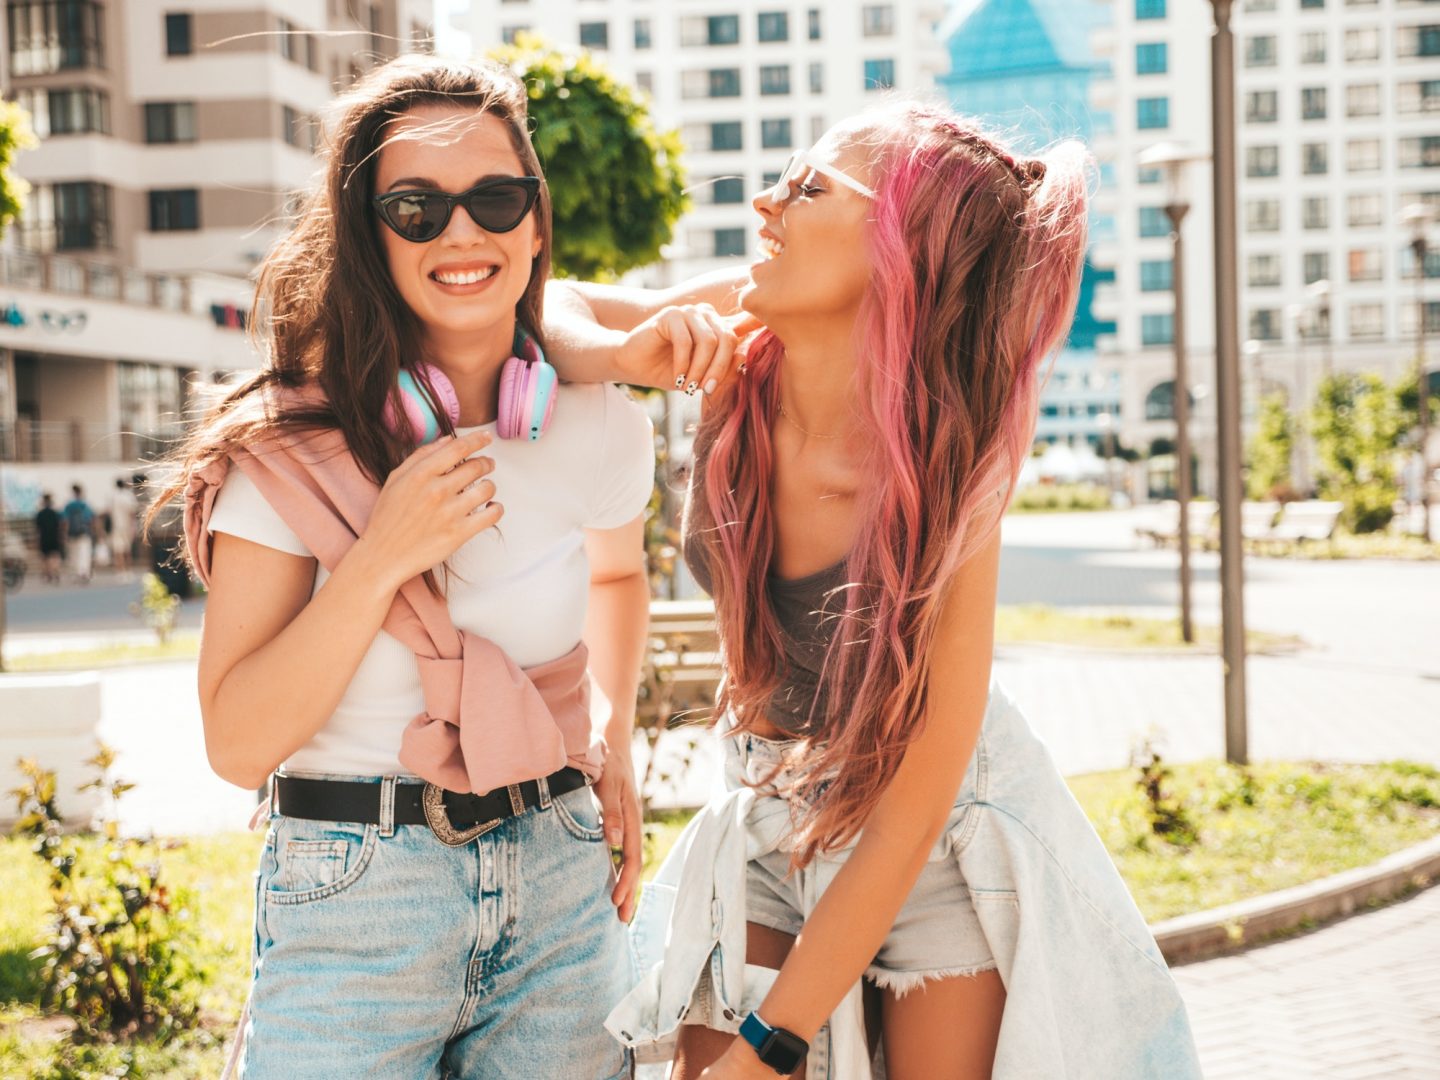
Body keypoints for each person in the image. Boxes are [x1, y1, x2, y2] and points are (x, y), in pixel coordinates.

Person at [546, 101, 1203, 1078]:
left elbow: (916, 802)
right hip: (766, 807)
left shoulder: (946, 465)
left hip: (939, 840)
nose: (765, 202)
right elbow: (551, 306)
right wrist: (624, 356)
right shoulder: (741, 339)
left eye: (810, 189)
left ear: (900, 256)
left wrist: (770, 1049)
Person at [148, 55, 652, 1079]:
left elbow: (615, 579)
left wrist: (620, 745)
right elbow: (239, 744)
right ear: (370, 237)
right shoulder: (290, 452)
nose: (463, 233)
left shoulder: (598, 424)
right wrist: (380, 559)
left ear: (537, 221)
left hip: (559, 874)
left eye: (496, 199)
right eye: (416, 207)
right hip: (357, 893)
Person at [61, 483, 95, 584]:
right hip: (84, 532)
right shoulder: (85, 504)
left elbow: (65, 520)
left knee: (73, 554)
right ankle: (84, 572)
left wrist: (65, 533)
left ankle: (76, 573)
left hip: (72, 533)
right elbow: (90, 519)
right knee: (84, 553)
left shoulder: (69, 505)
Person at [109, 476, 137, 572]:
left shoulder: (113, 496)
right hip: (127, 526)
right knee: (127, 550)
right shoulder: (128, 496)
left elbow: (109, 512)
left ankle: (120, 571)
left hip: (116, 526)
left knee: (118, 551)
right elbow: (132, 512)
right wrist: (133, 526)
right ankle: (128, 570)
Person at [34, 493, 62, 583]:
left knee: (45, 557)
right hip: (54, 537)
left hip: (44, 538)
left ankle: (48, 573)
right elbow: (59, 526)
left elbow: (37, 529)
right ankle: (55, 571)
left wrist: (37, 540)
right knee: (55, 556)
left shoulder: (40, 514)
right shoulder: (55, 513)